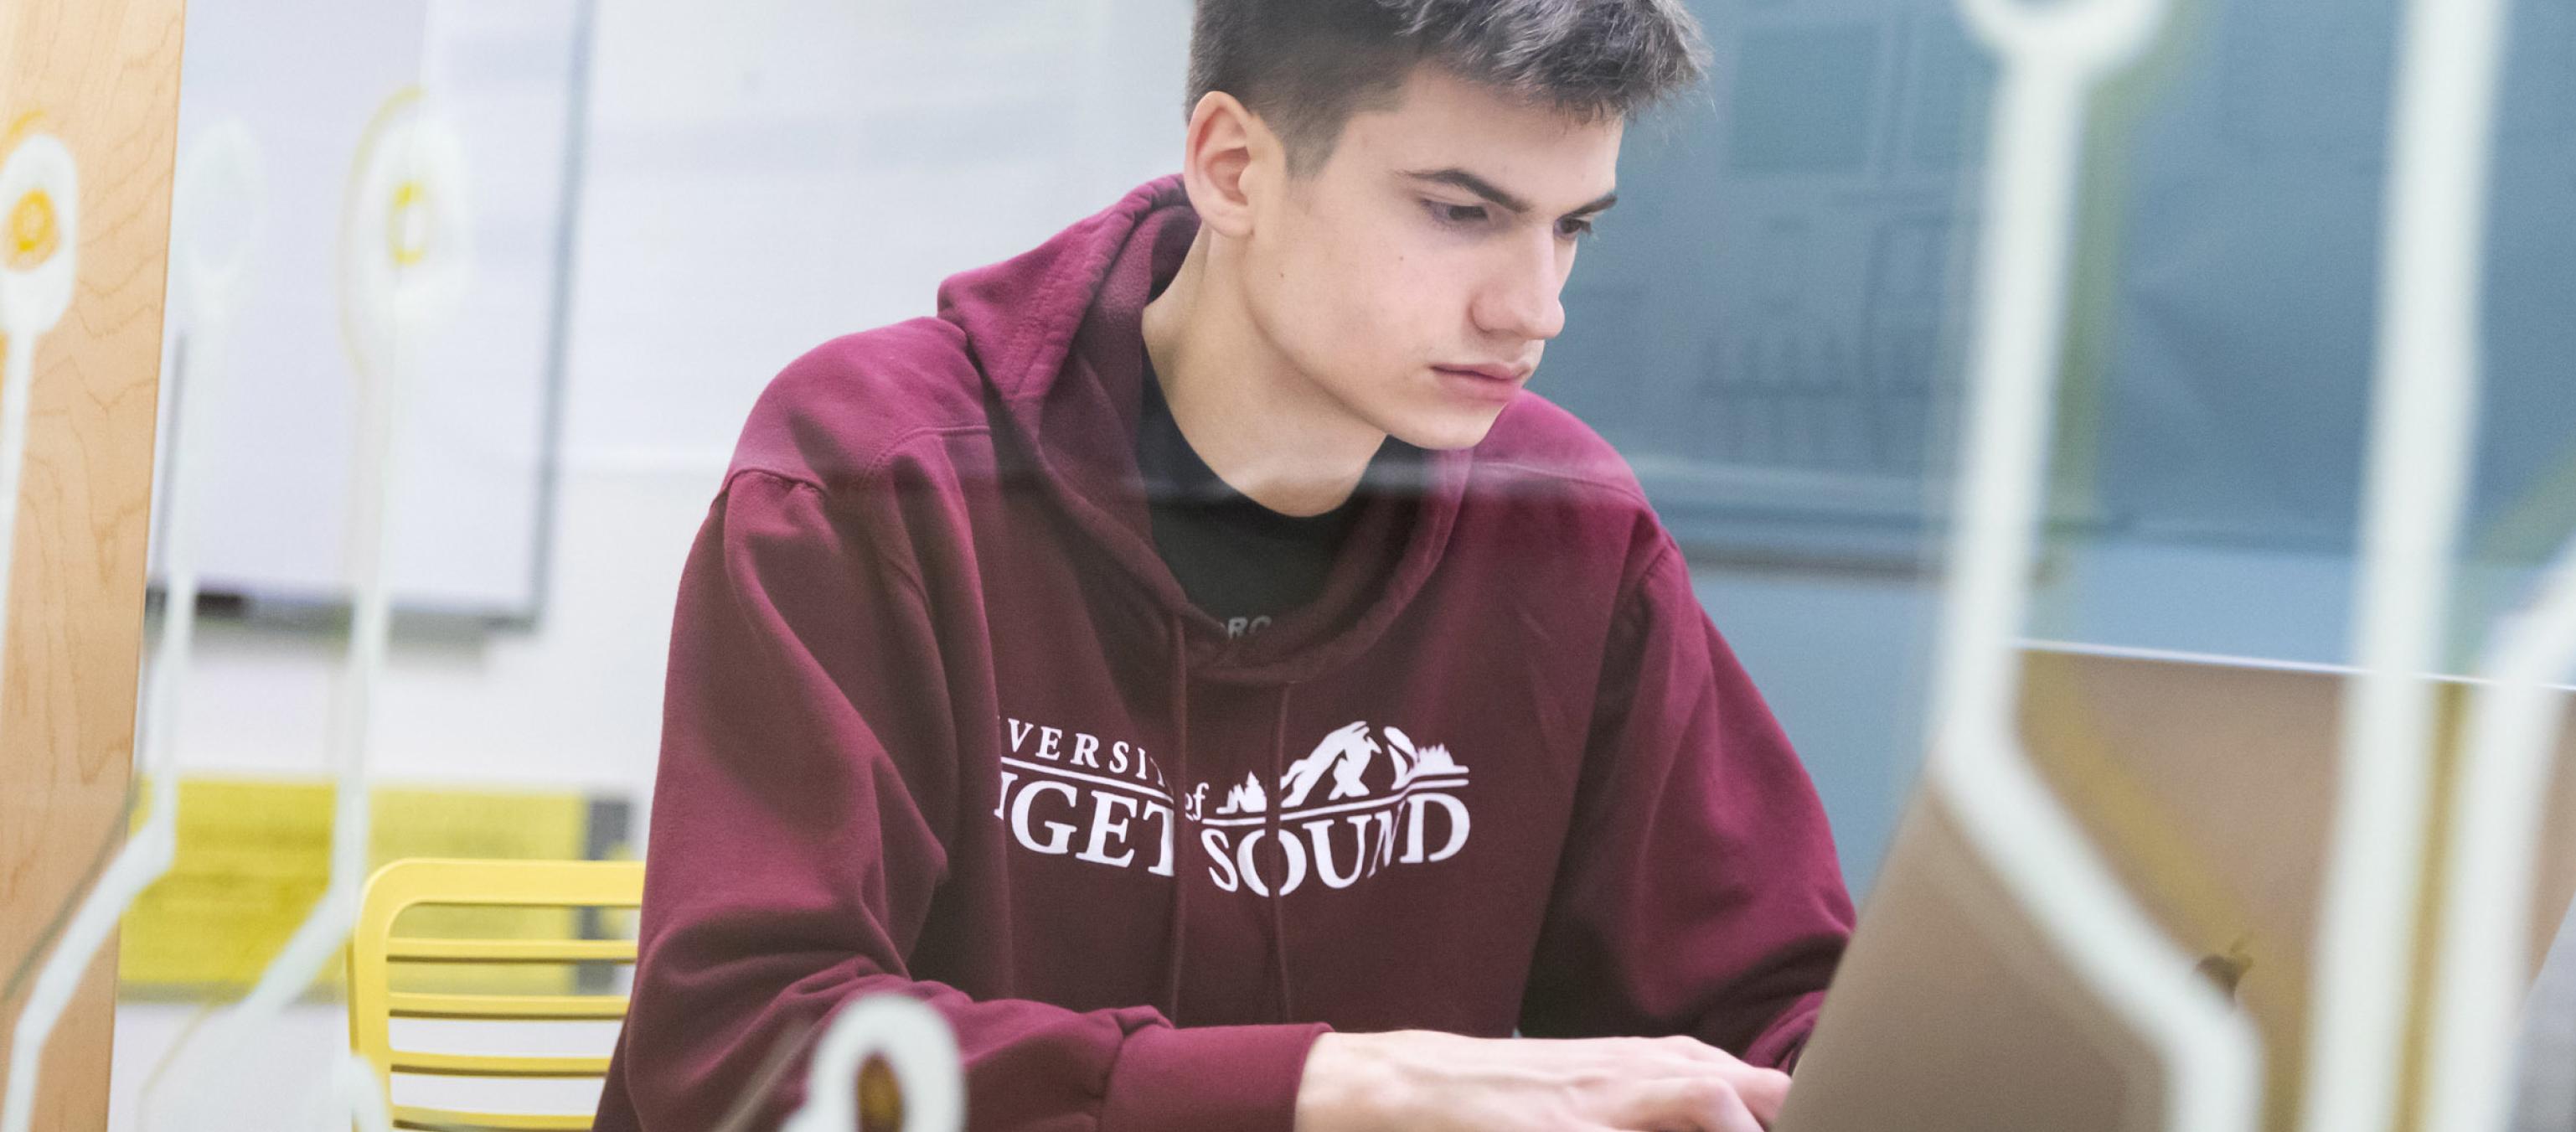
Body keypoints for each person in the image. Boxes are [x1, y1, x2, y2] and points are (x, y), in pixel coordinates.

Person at [593, 2, 1855, 1129]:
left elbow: (1782, 1013)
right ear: (1235, 167)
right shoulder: (878, 471)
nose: (1534, 308)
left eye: (1570, 227)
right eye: (1461, 213)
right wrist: (1344, 1089)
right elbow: (744, 1056)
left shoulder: (1573, 530)